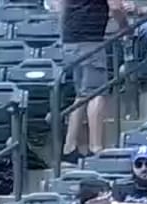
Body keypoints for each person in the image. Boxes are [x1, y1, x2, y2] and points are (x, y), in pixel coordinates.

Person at [56, 0, 123, 164]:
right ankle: (96, 148)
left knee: (82, 94)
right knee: (96, 94)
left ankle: (69, 147)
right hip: (90, 40)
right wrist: (125, 25)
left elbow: (60, 6)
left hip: (70, 39)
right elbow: (115, 6)